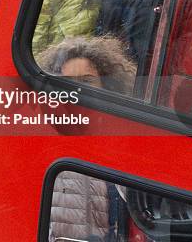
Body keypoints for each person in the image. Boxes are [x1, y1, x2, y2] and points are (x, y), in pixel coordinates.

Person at [37, 36, 136, 242]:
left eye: (87, 81)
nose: (77, 91)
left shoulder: (123, 137)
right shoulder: (44, 138)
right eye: (68, 83)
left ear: (106, 84)